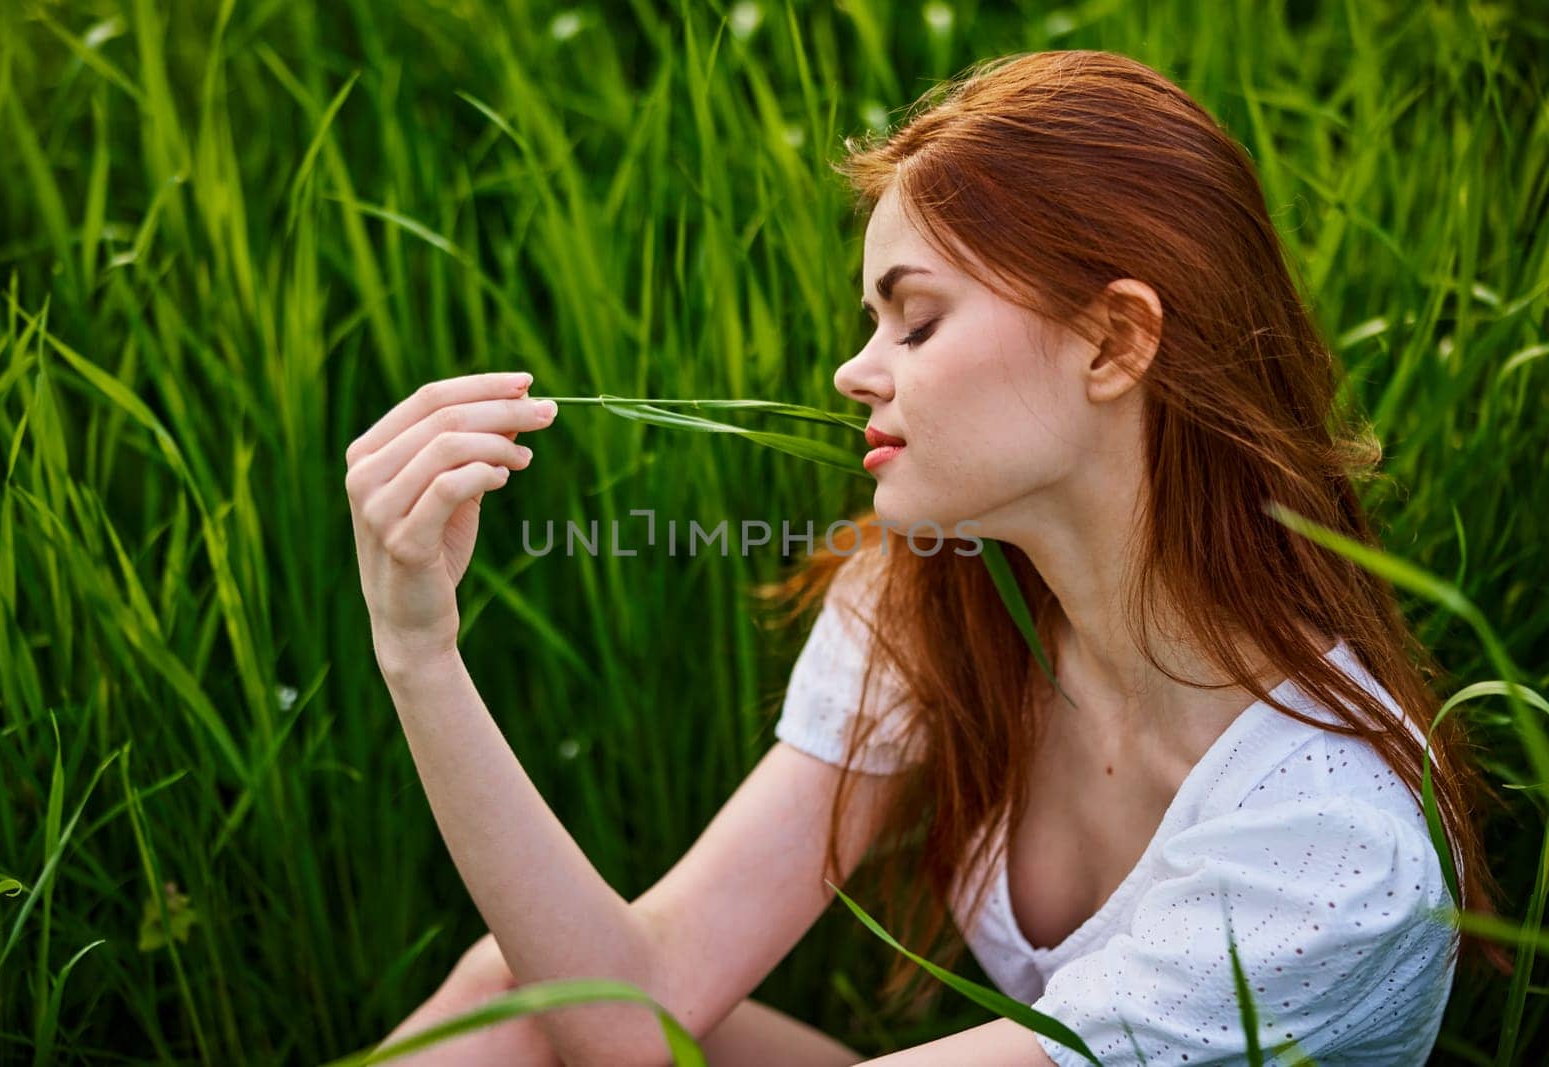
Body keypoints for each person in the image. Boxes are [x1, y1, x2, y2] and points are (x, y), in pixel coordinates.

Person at [347, 50, 1509, 1066]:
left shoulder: (1329, 839)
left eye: (914, 318)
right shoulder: (935, 595)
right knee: (517, 994)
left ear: (1113, 341)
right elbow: (629, 1004)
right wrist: (417, 646)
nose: (856, 371)